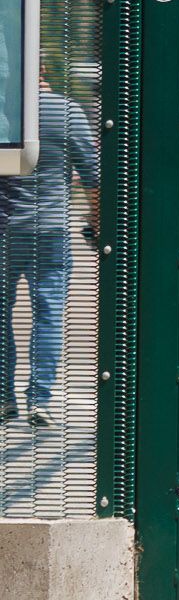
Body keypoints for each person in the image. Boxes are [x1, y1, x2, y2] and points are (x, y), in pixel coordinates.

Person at [0, 86, 99, 427]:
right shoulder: (69, 111)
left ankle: (4, 398)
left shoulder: (6, 107)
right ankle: (39, 401)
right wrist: (95, 224)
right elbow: (93, 177)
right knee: (49, 313)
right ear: (43, 68)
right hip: (51, 228)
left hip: (4, 227)